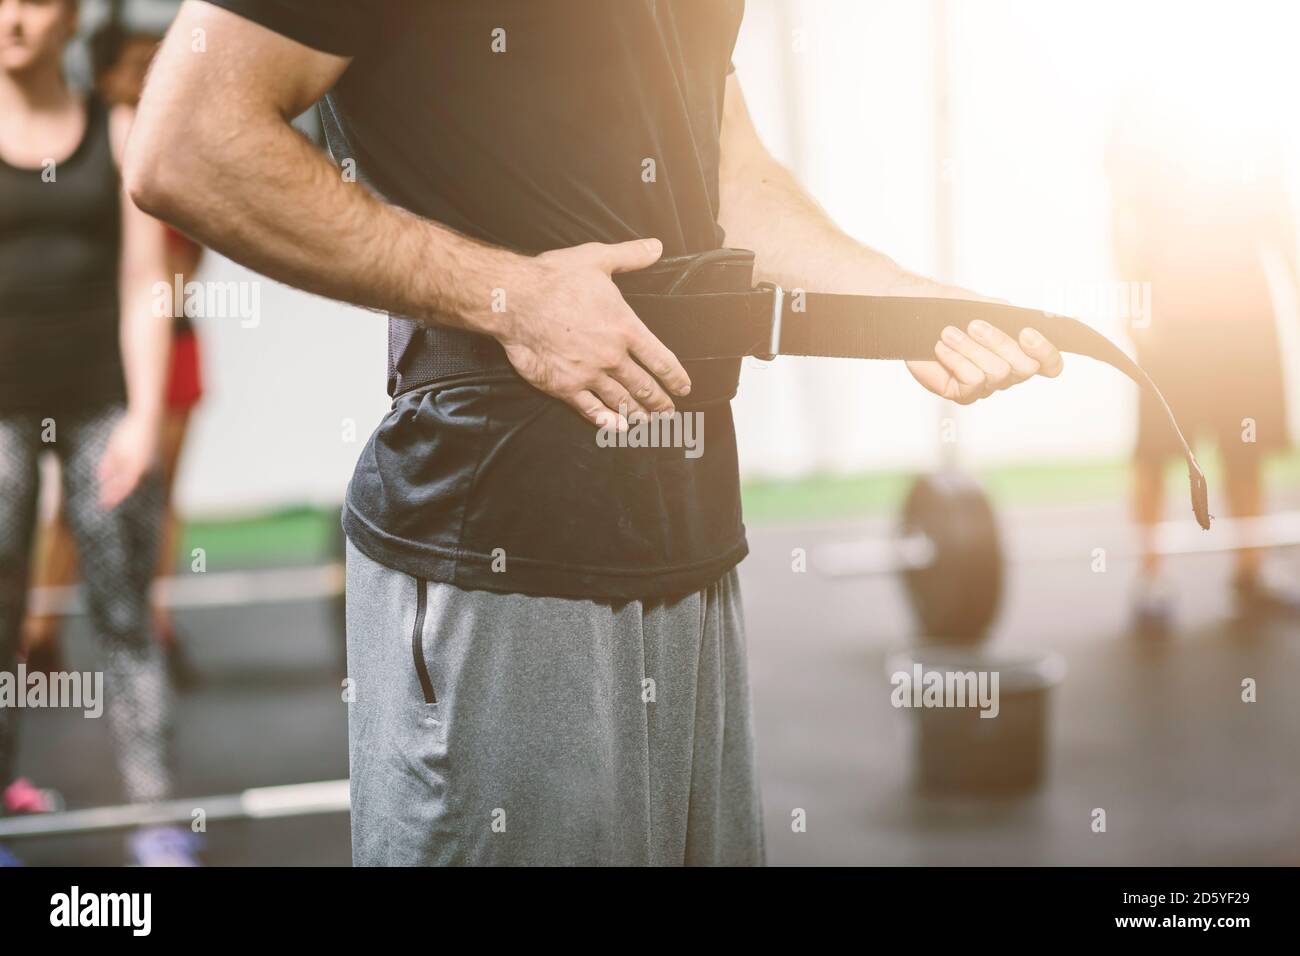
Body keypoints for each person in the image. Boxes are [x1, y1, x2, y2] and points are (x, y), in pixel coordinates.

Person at [127, 0, 1063, 865]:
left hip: (690, 543)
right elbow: (189, 141)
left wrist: (913, 302)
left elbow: (732, 180)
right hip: (498, 546)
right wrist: (514, 297)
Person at [0, 0, 198, 866]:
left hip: (100, 404)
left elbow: (143, 284)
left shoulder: (117, 130)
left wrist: (147, 420)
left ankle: (155, 816)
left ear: (72, 15)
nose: (10, 17)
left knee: (124, 612)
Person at [21, 18, 205, 689]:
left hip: (173, 345)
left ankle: (151, 622)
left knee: (158, 499)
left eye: (154, 65)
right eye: (132, 67)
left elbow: (190, 255)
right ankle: (39, 633)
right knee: (76, 508)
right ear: (100, 75)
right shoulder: (90, 145)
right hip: (101, 355)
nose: (144, 78)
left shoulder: (171, 149)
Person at [1109, 66, 1299, 635]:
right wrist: (1136, 307)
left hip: (1245, 321)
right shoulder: (1147, 124)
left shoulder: (1246, 131)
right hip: (1175, 323)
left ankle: (1250, 572)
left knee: (1247, 448)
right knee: (1158, 451)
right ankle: (1150, 579)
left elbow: (1282, 224)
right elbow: (1126, 221)